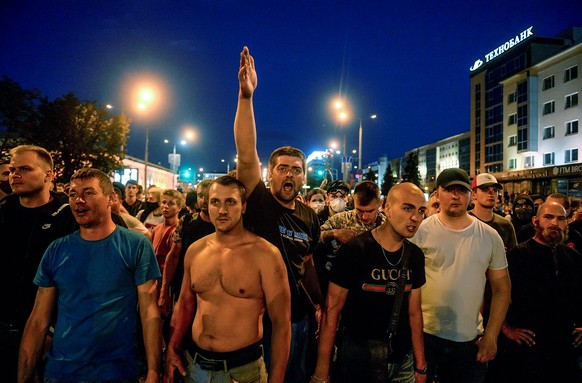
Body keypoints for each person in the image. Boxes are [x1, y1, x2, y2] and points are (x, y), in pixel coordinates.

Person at [17, 168, 162, 383]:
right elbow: (38, 320)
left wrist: (153, 371)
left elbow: (149, 311)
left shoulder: (136, 246)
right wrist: (24, 377)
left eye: (88, 193)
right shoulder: (57, 250)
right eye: (73, 194)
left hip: (117, 372)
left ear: (111, 198)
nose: (78, 201)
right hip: (61, 372)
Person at [235, 46, 322, 383]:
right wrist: (246, 97)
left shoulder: (309, 216)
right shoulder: (257, 202)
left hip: (297, 320)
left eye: (296, 170)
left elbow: (308, 262)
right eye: (282, 168)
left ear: (303, 176)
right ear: (269, 174)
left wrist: (319, 303)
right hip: (257, 319)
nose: (289, 175)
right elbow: (245, 153)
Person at [164, 176, 291, 383]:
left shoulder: (266, 255)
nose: (222, 210)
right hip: (195, 366)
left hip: (242, 371)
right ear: (207, 205)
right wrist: (172, 348)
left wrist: (277, 379)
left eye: (230, 202)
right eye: (215, 202)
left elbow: (281, 324)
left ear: (243, 206)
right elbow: (185, 304)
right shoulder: (196, 250)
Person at [312, 182, 428, 383]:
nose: (415, 217)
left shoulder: (415, 255)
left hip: (402, 360)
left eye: (421, 210)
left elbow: (414, 312)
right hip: (359, 359)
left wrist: (421, 364)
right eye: (407, 208)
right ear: (387, 207)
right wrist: (321, 372)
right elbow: (332, 311)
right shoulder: (355, 250)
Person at [410, 168, 511, 383]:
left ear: (469, 194)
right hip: (425, 334)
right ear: (437, 193)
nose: (455, 196)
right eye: (449, 190)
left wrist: (491, 336)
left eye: (461, 190)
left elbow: (502, 289)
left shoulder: (490, 236)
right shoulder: (420, 232)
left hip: (468, 339)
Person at [0, 145, 77, 382]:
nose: (15, 175)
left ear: (48, 175)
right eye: (12, 170)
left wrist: (53, 328)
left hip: (47, 334)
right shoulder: (4, 212)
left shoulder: (68, 218)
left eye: (25, 169)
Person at [498, 202, 582, 382]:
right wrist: (506, 329)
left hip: (564, 349)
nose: (555, 223)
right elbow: (496, 294)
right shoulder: (517, 256)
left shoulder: (573, 257)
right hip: (527, 350)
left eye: (561, 218)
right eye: (548, 217)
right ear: (535, 221)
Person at [316, 180, 385, 296]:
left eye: (370, 211)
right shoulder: (341, 219)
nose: (364, 217)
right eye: (360, 210)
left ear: (380, 203)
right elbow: (313, 238)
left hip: (372, 288)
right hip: (340, 285)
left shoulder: (386, 226)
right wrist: (334, 234)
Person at [159, 179, 216, 313]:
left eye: (209, 196)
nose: (204, 200)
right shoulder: (187, 221)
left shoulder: (221, 224)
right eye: (201, 196)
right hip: (184, 286)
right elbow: (173, 256)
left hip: (212, 290)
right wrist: (164, 289)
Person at [469, 173, 517, 252]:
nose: (491, 194)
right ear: (474, 194)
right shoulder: (463, 221)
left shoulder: (505, 225)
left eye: (494, 190)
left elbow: (514, 258)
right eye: (485, 190)